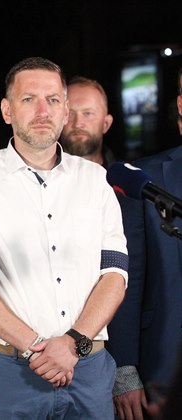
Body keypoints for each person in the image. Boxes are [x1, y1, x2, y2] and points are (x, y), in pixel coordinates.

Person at [0, 57, 128, 419]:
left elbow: (115, 275)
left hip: (87, 371)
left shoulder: (97, 180)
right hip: (7, 374)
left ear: (65, 111)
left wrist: (72, 344)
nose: (43, 111)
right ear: (6, 110)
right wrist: (37, 348)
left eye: (53, 100)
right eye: (29, 99)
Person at [106, 65, 182, 420]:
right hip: (163, 367)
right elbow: (127, 276)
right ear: (180, 105)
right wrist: (124, 368)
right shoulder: (147, 178)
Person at [59, 76, 115, 167]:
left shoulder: (127, 175)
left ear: (106, 124)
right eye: (70, 114)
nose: (78, 124)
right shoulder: (37, 174)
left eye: (88, 113)